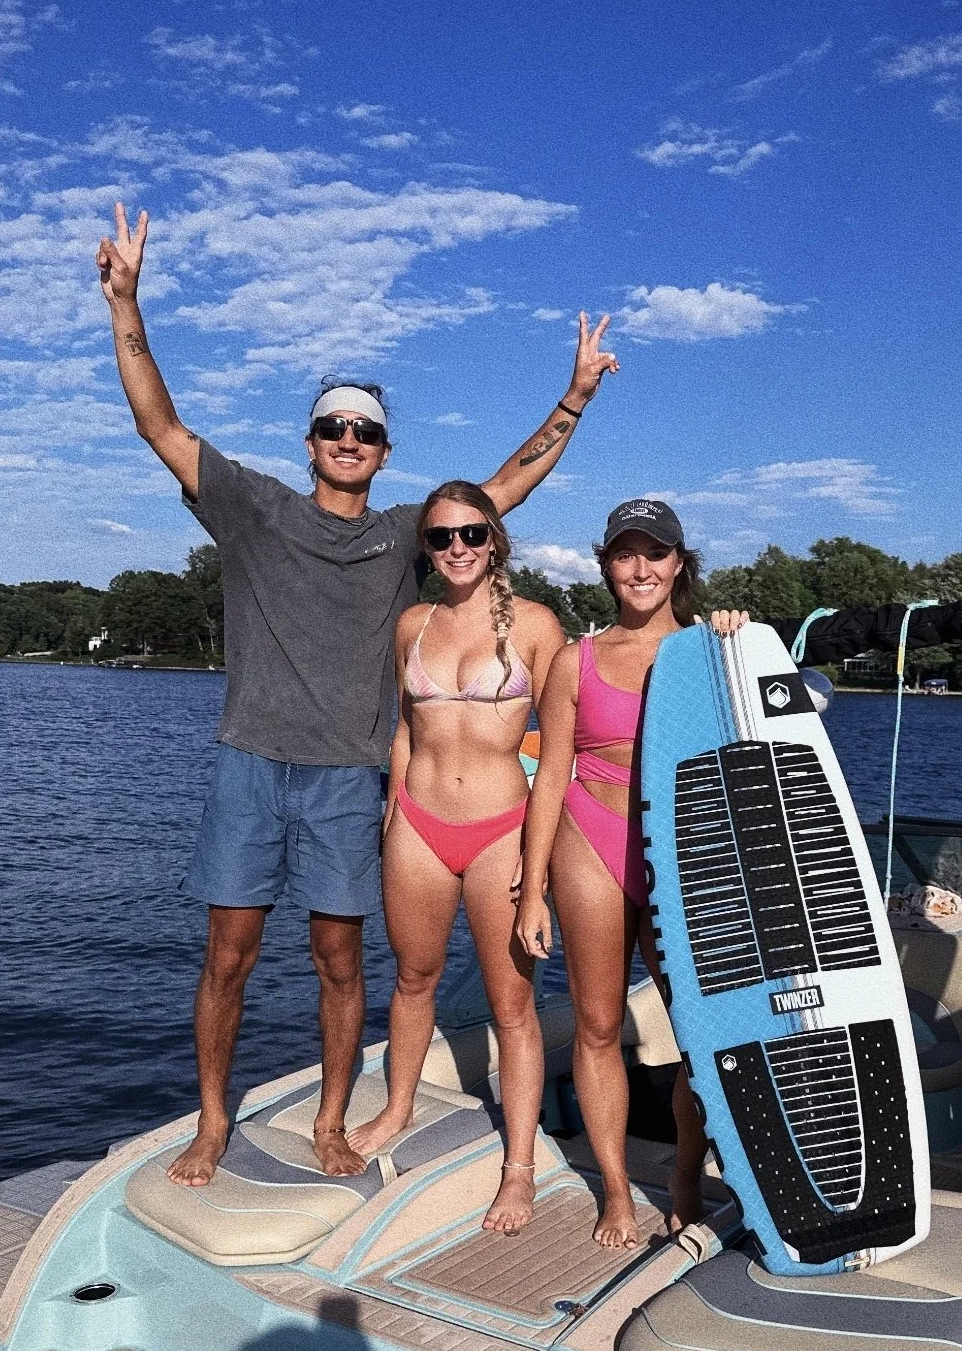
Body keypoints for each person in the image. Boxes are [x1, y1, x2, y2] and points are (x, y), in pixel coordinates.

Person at [94, 202, 619, 1186]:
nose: (348, 440)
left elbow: (507, 486)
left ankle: (335, 1121)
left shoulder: (414, 538)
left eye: (365, 432)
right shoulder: (251, 508)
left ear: (382, 455)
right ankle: (212, 1123)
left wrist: (577, 395)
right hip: (251, 762)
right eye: (333, 427)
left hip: (347, 781)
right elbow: (159, 424)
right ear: (310, 443)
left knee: (343, 965)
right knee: (228, 962)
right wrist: (126, 303)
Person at [515, 497, 746, 1246]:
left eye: (656, 553)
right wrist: (530, 887)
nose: (639, 568)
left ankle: (684, 1173)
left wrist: (740, 639)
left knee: (700, 1032)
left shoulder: (714, 650)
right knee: (597, 1024)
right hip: (592, 835)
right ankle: (615, 1188)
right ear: (606, 563)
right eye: (624, 553)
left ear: (680, 564)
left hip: (683, 846)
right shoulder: (572, 660)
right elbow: (549, 775)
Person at [346, 483, 565, 1233]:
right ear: (428, 549)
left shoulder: (537, 626)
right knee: (412, 979)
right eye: (441, 538)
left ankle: (519, 1167)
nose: (458, 549)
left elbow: (560, 755)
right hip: (416, 823)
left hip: (501, 826)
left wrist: (536, 872)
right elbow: (405, 731)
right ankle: (397, 1108)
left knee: (512, 1006)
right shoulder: (413, 622)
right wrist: (390, 817)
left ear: (495, 538)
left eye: (471, 534)